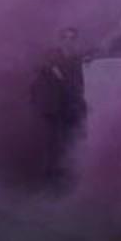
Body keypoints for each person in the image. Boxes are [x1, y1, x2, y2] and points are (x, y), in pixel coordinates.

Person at [30, 27, 87, 183]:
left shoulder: (76, 58)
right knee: (51, 140)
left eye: (73, 38)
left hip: (70, 104)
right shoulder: (51, 55)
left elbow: (79, 80)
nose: (69, 41)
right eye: (66, 37)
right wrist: (53, 69)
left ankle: (65, 173)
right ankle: (49, 176)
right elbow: (42, 67)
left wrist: (79, 99)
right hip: (51, 105)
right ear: (61, 39)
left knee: (69, 139)